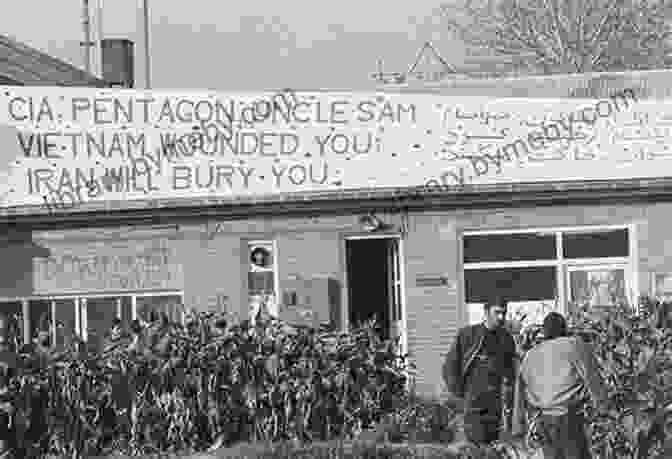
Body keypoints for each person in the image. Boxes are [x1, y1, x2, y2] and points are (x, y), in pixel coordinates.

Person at [512, 312, 608, 459]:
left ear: (543, 333)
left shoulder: (530, 356)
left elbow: (519, 392)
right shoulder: (575, 345)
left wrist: (518, 427)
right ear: (565, 329)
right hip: (568, 419)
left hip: (544, 421)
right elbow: (592, 378)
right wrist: (603, 408)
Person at [442, 296, 517, 445]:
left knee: (493, 449)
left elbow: (510, 372)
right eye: (497, 312)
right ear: (486, 312)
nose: (501, 317)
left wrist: (509, 400)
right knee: (477, 448)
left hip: (495, 407)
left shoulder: (506, 339)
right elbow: (449, 367)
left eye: (504, 313)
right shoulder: (468, 335)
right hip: (473, 405)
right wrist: (459, 394)